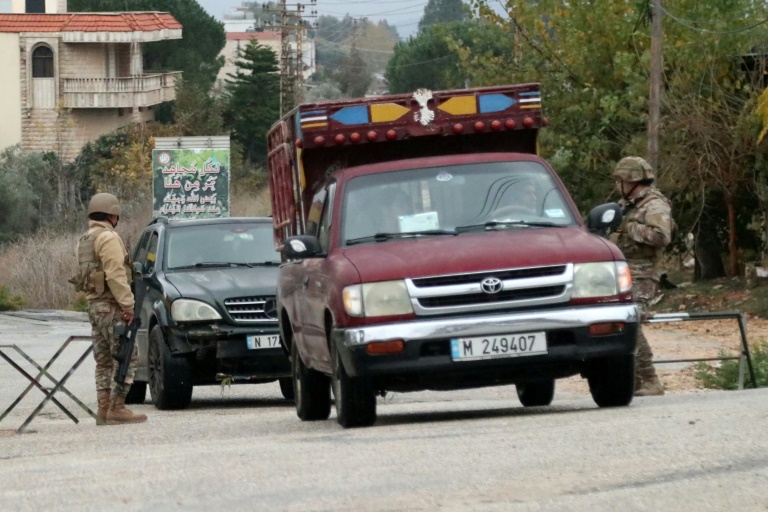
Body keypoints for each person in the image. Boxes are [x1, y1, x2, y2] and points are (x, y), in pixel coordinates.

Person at [72, 193, 147, 425]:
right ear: (113, 214)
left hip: (94, 305)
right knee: (128, 354)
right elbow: (115, 273)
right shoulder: (108, 237)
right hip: (111, 305)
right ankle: (117, 407)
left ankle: (103, 410)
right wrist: (128, 305)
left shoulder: (85, 238)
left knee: (103, 360)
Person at [609, 157, 674, 397]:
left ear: (631, 181)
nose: (618, 185)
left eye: (620, 180)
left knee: (631, 319)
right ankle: (634, 380)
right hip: (621, 272)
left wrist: (629, 227)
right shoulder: (626, 205)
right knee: (617, 320)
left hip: (644, 272)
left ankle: (650, 379)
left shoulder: (654, 205)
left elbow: (661, 236)